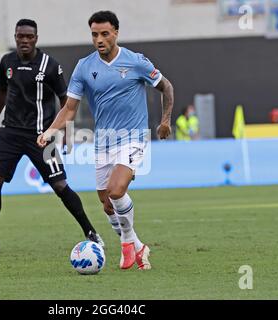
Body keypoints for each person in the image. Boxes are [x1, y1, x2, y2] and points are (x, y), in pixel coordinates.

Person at [37, 11, 174, 270]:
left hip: (132, 136)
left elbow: (166, 86)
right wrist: (50, 132)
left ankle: (125, 246)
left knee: (116, 190)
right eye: (94, 34)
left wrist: (165, 120)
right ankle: (137, 244)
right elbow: (69, 108)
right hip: (104, 141)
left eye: (104, 34)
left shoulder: (136, 62)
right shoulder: (84, 67)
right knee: (107, 204)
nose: (99, 39)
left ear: (116, 33)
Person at [0, 19, 103, 254]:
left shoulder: (50, 66)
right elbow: (1, 92)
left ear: (36, 38)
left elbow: (66, 100)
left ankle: (91, 232)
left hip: (42, 136)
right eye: (20, 36)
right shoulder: (7, 62)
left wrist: (65, 131)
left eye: (29, 37)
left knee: (60, 185)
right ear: (15, 37)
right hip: (9, 133)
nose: (24, 41)